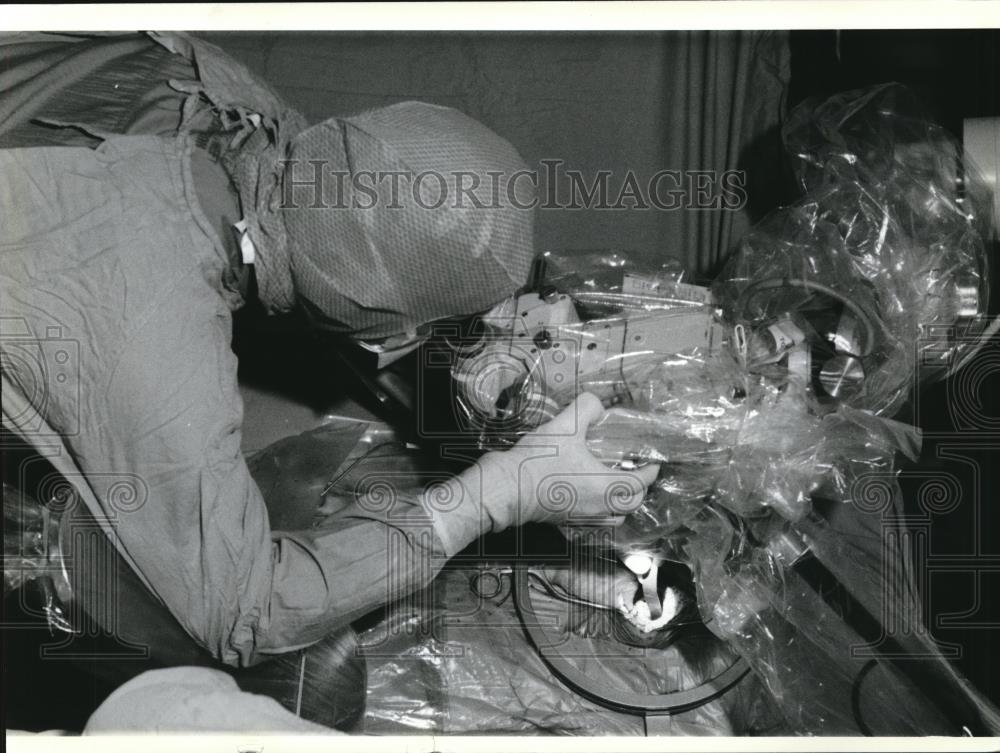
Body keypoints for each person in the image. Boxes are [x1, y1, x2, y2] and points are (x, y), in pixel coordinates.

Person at [1, 31, 658, 725]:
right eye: (435, 329)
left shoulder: (248, 117)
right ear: (390, 331)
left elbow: (349, 250)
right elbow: (246, 611)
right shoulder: (152, 326)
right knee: (318, 689)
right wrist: (495, 496)